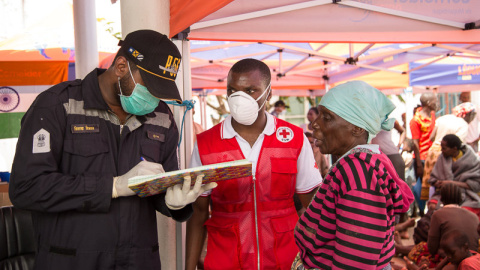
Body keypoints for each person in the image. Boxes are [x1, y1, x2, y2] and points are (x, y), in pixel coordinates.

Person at [8, 30, 216, 270]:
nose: (155, 97)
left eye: (161, 89)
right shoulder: (58, 106)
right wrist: (113, 187)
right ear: (120, 66)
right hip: (71, 260)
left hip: (139, 261)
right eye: (150, 86)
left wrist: (174, 202)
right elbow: (26, 188)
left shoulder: (161, 117)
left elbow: (163, 184)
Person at [185, 58, 322, 270]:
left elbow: (312, 206)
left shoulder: (294, 138)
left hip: (285, 259)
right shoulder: (206, 144)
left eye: (250, 90)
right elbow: (199, 212)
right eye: (232, 90)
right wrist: (188, 267)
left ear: (268, 92)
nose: (239, 98)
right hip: (225, 260)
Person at [293, 80, 414, 269]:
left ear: (357, 128)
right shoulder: (360, 164)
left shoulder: (358, 172)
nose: (314, 124)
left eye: (327, 117)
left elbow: (356, 260)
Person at [421, 102, 476, 202]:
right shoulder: (463, 125)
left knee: (432, 185)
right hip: (448, 154)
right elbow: (458, 142)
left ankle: (430, 204)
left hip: (433, 152)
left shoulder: (442, 118)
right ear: (466, 114)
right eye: (472, 115)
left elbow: (432, 137)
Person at [429, 134, 480, 218]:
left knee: (464, 211)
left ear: (454, 149)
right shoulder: (442, 157)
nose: (442, 151)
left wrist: (451, 183)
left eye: (444, 148)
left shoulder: (472, 160)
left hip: (467, 195)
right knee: (433, 206)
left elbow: (475, 184)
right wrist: (438, 183)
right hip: (444, 195)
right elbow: (433, 178)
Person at [428, 183, 479, 257]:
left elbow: (432, 248)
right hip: (473, 257)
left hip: (450, 258)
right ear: (461, 198)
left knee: (419, 249)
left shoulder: (438, 215)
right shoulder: (473, 215)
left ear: (441, 199)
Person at [410, 93, 438, 216]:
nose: (436, 104)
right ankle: (423, 213)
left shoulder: (432, 116)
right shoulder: (415, 120)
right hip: (421, 159)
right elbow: (415, 143)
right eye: (434, 101)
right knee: (422, 189)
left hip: (432, 157)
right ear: (427, 103)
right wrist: (419, 165)